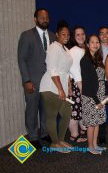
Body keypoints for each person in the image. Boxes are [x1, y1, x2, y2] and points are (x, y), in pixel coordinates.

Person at [17, 8, 55, 148]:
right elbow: (21, 59)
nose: (44, 19)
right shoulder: (27, 35)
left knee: (46, 109)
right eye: (41, 17)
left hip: (49, 82)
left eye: (46, 17)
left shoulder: (53, 36)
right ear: (35, 19)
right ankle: (33, 136)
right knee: (32, 110)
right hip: (32, 81)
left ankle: (45, 133)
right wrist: (26, 80)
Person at [39, 20, 73, 153]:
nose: (66, 37)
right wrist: (60, 89)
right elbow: (52, 70)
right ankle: (54, 143)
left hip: (62, 86)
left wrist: (68, 86)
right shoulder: (54, 47)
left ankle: (60, 139)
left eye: (68, 35)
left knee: (66, 114)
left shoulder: (65, 49)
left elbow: (66, 70)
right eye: (63, 34)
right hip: (50, 86)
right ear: (57, 34)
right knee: (52, 116)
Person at [80, 35, 107, 154]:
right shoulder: (85, 60)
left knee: (97, 122)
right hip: (91, 96)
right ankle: (90, 147)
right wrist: (97, 100)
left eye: (97, 42)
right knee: (91, 124)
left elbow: (101, 78)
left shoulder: (98, 59)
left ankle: (95, 144)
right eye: (92, 42)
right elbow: (88, 83)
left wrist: (103, 95)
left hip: (99, 95)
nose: (95, 44)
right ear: (87, 44)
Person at [68, 26, 87, 143]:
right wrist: (81, 87)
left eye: (82, 34)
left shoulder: (83, 48)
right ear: (74, 37)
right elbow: (75, 70)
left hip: (80, 83)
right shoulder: (75, 50)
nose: (81, 36)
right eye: (77, 35)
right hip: (77, 85)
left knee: (80, 109)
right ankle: (73, 135)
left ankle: (82, 129)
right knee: (74, 111)